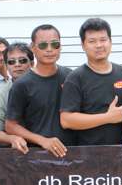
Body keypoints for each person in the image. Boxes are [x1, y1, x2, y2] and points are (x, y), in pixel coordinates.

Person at [60, 18, 122, 145]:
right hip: (88, 153)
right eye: (92, 41)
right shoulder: (75, 78)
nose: (99, 45)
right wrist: (107, 117)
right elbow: (66, 120)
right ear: (83, 45)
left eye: (103, 40)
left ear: (110, 42)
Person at [5, 25, 74, 157]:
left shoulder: (71, 77)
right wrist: (42, 140)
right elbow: (11, 126)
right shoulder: (21, 85)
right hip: (37, 157)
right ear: (33, 47)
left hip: (73, 153)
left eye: (55, 44)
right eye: (43, 45)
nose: (49, 49)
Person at [0, 42, 32, 152]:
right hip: (18, 153)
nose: (17, 65)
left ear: (32, 63)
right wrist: (12, 139)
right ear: (6, 66)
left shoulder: (45, 86)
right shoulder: (0, 97)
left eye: (22, 60)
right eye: (12, 62)